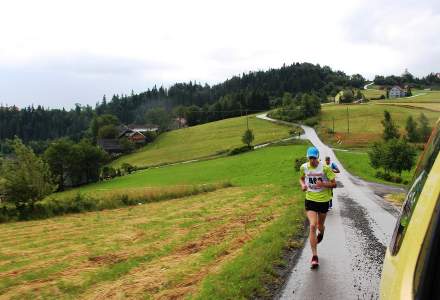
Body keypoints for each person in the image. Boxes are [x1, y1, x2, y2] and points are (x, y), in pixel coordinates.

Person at [299, 147, 337, 269]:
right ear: (307, 157)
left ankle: (322, 231)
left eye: (314, 158)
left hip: (323, 201)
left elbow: (334, 184)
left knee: (320, 226)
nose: (312, 160)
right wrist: (303, 185)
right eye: (310, 158)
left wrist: (323, 184)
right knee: (312, 225)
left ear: (317, 157)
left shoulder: (325, 169)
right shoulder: (304, 167)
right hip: (310, 199)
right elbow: (301, 178)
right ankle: (314, 257)